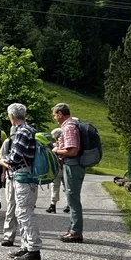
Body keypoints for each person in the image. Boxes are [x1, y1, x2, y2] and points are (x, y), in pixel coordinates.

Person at [0, 103, 42, 260]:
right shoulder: (30, 129)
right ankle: (25, 246)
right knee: (20, 211)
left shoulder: (22, 131)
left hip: (24, 176)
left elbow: (15, 158)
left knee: (25, 213)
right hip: (27, 176)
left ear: (12, 116)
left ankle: (34, 250)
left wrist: (3, 159)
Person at [51, 103, 85, 242]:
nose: (54, 118)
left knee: (72, 198)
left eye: (55, 115)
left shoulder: (69, 127)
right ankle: (73, 229)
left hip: (73, 165)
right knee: (72, 197)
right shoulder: (70, 126)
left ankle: (76, 232)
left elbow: (72, 150)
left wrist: (56, 151)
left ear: (60, 114)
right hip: (72, 164)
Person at [45, 127, 66, 215]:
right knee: (67, 187)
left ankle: (53, 205)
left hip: (57, 169)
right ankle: (68, 205)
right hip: (65, 167)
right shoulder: (66, 145)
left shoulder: (55, 146)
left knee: (55, 186)